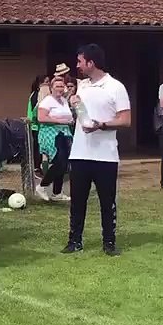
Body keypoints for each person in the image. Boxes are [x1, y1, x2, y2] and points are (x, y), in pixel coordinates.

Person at [62, 44, 130, 255]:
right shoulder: (82, 86)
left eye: (80, 61)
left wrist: (102, 125)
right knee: (77, 201)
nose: (77, 66)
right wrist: (74, 105)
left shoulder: (115, 87)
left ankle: (109, 242)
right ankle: (75, 241)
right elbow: (82, 117)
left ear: (91, 63)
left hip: (105, 155)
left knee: (106, 202)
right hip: (80, 153)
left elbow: (125, 119)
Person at [35, 74, 74, 202]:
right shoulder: (47, 101)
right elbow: (42, 118)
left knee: (64, 163)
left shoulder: (63, 101)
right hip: (51, 134)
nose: (60, 88)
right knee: (59, 161)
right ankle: (42, 186)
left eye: (62, 86)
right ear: (51, 87)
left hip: (64, 133)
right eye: (57, 86)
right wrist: (61, 121)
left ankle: (57, 193)